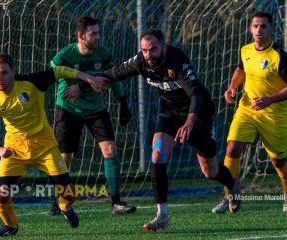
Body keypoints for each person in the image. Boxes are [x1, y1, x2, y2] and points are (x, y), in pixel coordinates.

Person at [79, 29, 241, 232]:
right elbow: (112, 74)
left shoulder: (177, 60)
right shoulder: (140, 62)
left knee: (210, 171)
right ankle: (162, 215)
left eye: (153, 49)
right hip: (170, 113)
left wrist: (190, 121)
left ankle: (233, 186)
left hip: (198, 114)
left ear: (163, 47)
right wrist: (83, 85)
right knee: (157, 154)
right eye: (145, 50)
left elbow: (196, 93)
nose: (149, 54)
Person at [0, 53, 106, 237]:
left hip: (44, 146)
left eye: (4, 73)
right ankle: (11, 226)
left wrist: (89, 78)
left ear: (13, 72)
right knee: (0, 198)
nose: (0, 78)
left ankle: (64, 206)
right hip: (14, 150)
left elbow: (59, 71)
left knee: (69, 194)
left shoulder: (31, 83)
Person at [47, 16, 136, 216]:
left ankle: (116, 202)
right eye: (93, 34)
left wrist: (123, 102)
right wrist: (42, 112)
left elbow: (111, 76)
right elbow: (48, 83)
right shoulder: (64, 56)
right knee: (64, 157)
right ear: (80, 36)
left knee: (110, 149)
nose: (98, 37)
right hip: (68, 110)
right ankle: (58, 200)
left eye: (98, 32)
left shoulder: (103, 53)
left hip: (96, 109)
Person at [212, 11, 287, 214]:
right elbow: (241, 69)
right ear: (250, 28)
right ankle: (230, 195)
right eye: (255, 26)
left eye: (263, 26)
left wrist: (270, 99)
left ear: (272, 29)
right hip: (247, 108)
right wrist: (232, 88)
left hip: (274, 113)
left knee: (278, 161)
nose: (258, 30)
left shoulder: (278, 55)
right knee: (232, 149)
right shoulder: (245, 49)